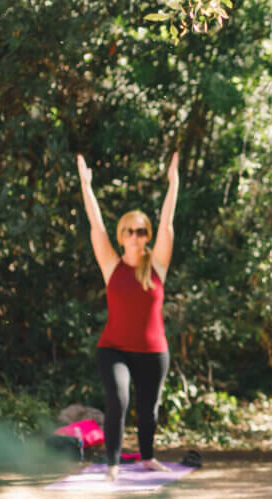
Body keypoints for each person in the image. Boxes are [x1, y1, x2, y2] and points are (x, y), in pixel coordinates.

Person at [77, 152, 178, 482]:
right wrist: (86, 184)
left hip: (153, 351)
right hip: (114, 348)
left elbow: (167, 223)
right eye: (129, 231)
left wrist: (173, 182)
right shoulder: (112, 265)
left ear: (147, 236)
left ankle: (147, 458)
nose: (136, 236)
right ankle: (113, 465)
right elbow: (95, 224)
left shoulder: (158, 266)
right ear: (121, 236)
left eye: (141, 231)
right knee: (118, 400)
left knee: (149, 409)